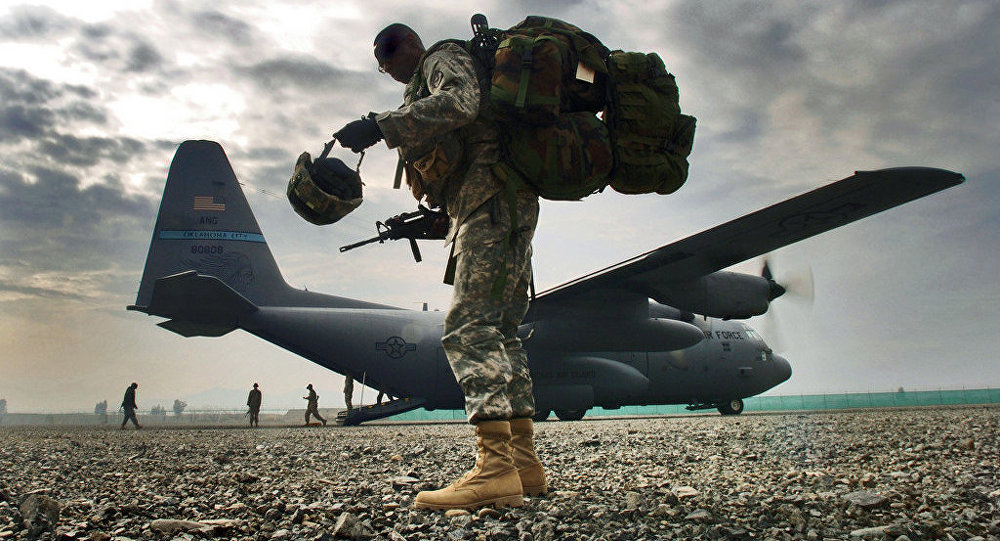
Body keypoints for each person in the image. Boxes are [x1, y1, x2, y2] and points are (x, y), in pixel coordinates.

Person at [333, 22, 545, 510]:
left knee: (468, 330)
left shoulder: (440, 60)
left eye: (388, 52)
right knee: (502, 333)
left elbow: (461, 103)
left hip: (491, 201)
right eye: (379, 62)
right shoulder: (424, 80)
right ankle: (523, 464)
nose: (385, 65)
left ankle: (495, 470)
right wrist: (435, 220)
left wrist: (381, 126)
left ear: (411, 43)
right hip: (497, 204)